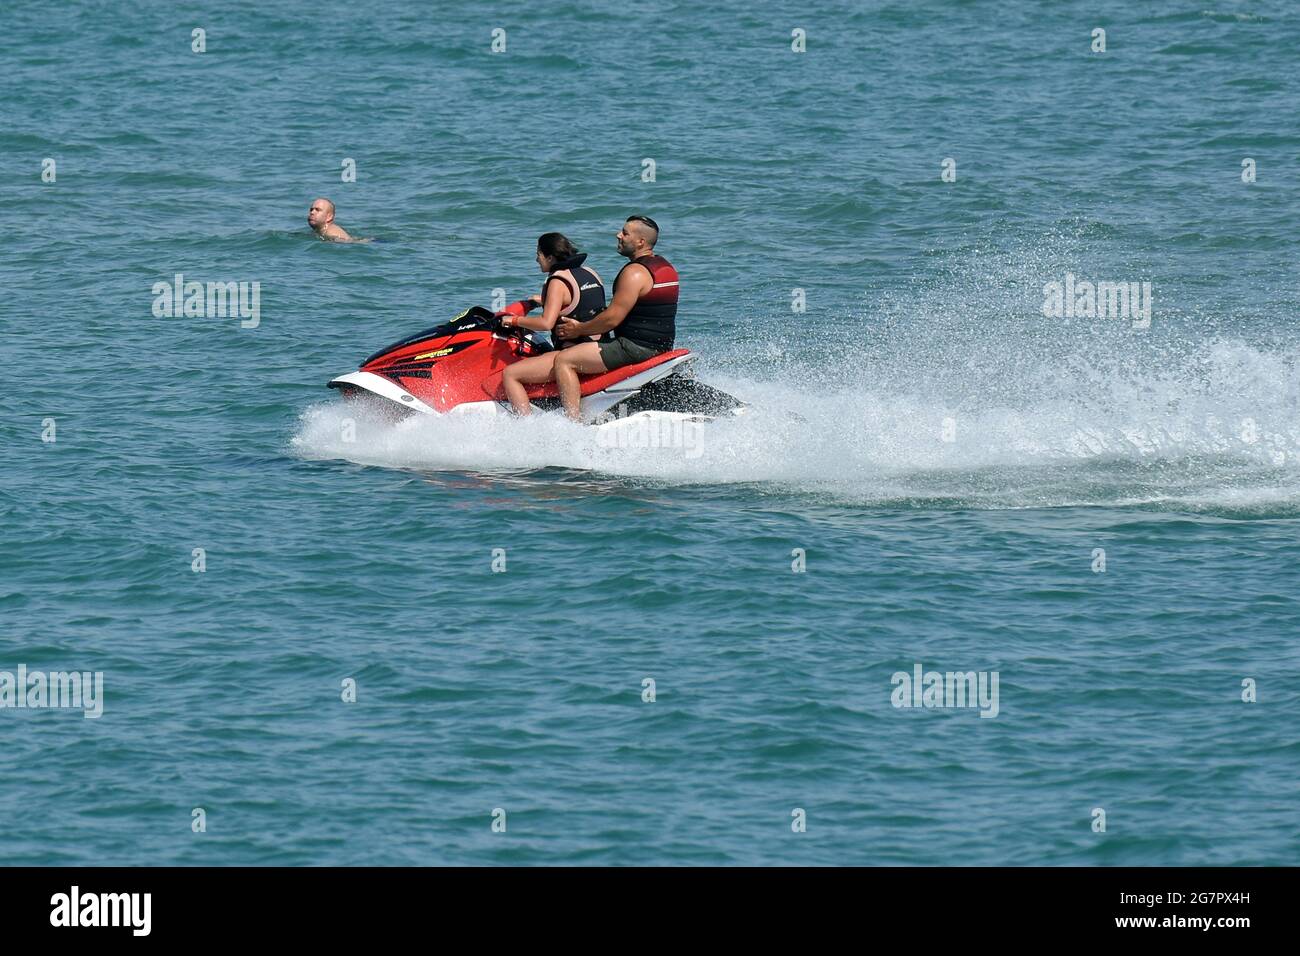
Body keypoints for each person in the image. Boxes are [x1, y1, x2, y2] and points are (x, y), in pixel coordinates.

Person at [551, 215, 677, 420]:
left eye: (625, 233)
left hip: (633, 348)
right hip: (661, 345)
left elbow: (612, 319)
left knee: (565, 360)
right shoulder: (665, 267)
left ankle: (572, 424)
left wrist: (578, 329)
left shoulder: (634, 273)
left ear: (640, 242)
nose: (618, 235)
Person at [499, 233, 607, 415]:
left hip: (574, 351)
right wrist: (543, 301)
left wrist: (514, 320)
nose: (536, 259)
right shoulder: (590, 273)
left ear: (550, 257)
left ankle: (525, 426)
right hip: (598, 348)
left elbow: (546, 323)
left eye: (539, 254)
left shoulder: (557, 280)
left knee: (510, 374)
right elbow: (579, 303)